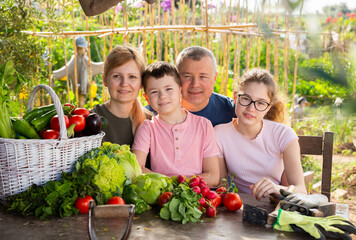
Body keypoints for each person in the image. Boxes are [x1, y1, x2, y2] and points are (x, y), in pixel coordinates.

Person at [214, 68, 306, 200]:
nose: (251, 108)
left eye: (261, 103)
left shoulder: (283, 134)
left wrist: (276, 189)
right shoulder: (220, 133)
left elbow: (301, 190)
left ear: (268, 107)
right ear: (235, 97)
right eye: (246, 99)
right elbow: (221, 186)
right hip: (240, 207)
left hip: (276, 206)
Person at [132, 61, 220, 187]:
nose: (162, 96)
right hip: (163, 197)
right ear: (147, 99)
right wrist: (177, 185)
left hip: (195, 197)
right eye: (154, 92)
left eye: (168, 89)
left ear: (180, 91)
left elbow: (213, 176)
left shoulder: (204, 125)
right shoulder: (148, 128)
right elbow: (136, 169)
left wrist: (177, 185)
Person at [146, 46, 236, 126]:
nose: (195, 84)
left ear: (214, 78)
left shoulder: (233, 111)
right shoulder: (152, 112)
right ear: (177, 78)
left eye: (203, 76)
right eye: (187, 76)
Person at [93, 45, 152, 146]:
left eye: (132, 77)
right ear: (104, 80)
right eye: (117, 76)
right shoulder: (91, 121)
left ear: (141, 83)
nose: (124, 83)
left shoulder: (151, 122)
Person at [53, 36, 104, 108]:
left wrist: (105, 64)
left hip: (85, 84)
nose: (86, 49)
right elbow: (65, 70)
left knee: (82, 101)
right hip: (77, 85)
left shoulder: (84, 58)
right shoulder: (75, 60)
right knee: (79, 101)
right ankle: (80, 112)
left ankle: (81, 111)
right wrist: (53, 74)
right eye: (84, 47)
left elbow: (93, 66)